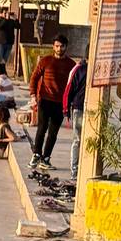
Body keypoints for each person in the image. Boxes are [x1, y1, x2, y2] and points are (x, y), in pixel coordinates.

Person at [28, 36, 75, 171]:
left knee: (53, 132)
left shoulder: (71, 65)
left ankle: (46, 158)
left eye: (62, 46)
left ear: (66, 47)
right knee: (42, 128)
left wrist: (70, 102)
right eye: (57, 46)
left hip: (60, 103)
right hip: (45, 100)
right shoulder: (45, 61)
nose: (59, 49)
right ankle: (36, 154)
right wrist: (33, 95)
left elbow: (73, 84)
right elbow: (34, 77)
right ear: (53, 46)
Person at [62, 55, 88, 180]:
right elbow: (69, 89)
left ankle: (86, 170)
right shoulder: (79, 69)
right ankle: (75, 170)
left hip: (94, 109)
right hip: (79, 108)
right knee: (78, 140)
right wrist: (66, 109)